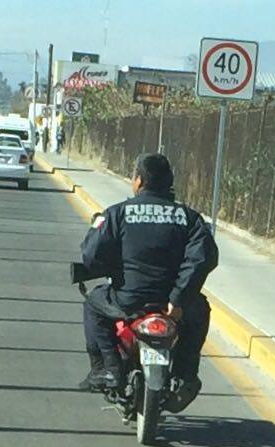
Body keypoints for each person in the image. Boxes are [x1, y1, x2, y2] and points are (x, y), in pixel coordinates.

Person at [79, 153, 219, 413]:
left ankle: (107, 368)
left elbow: (90, 254)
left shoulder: (117, 213)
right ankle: (187, 376)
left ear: (139, 181)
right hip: (173, 305)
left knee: (92, 305)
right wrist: (178, 299)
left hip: (127, 300)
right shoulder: (189, 218)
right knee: (201, 313)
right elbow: (202, 259)